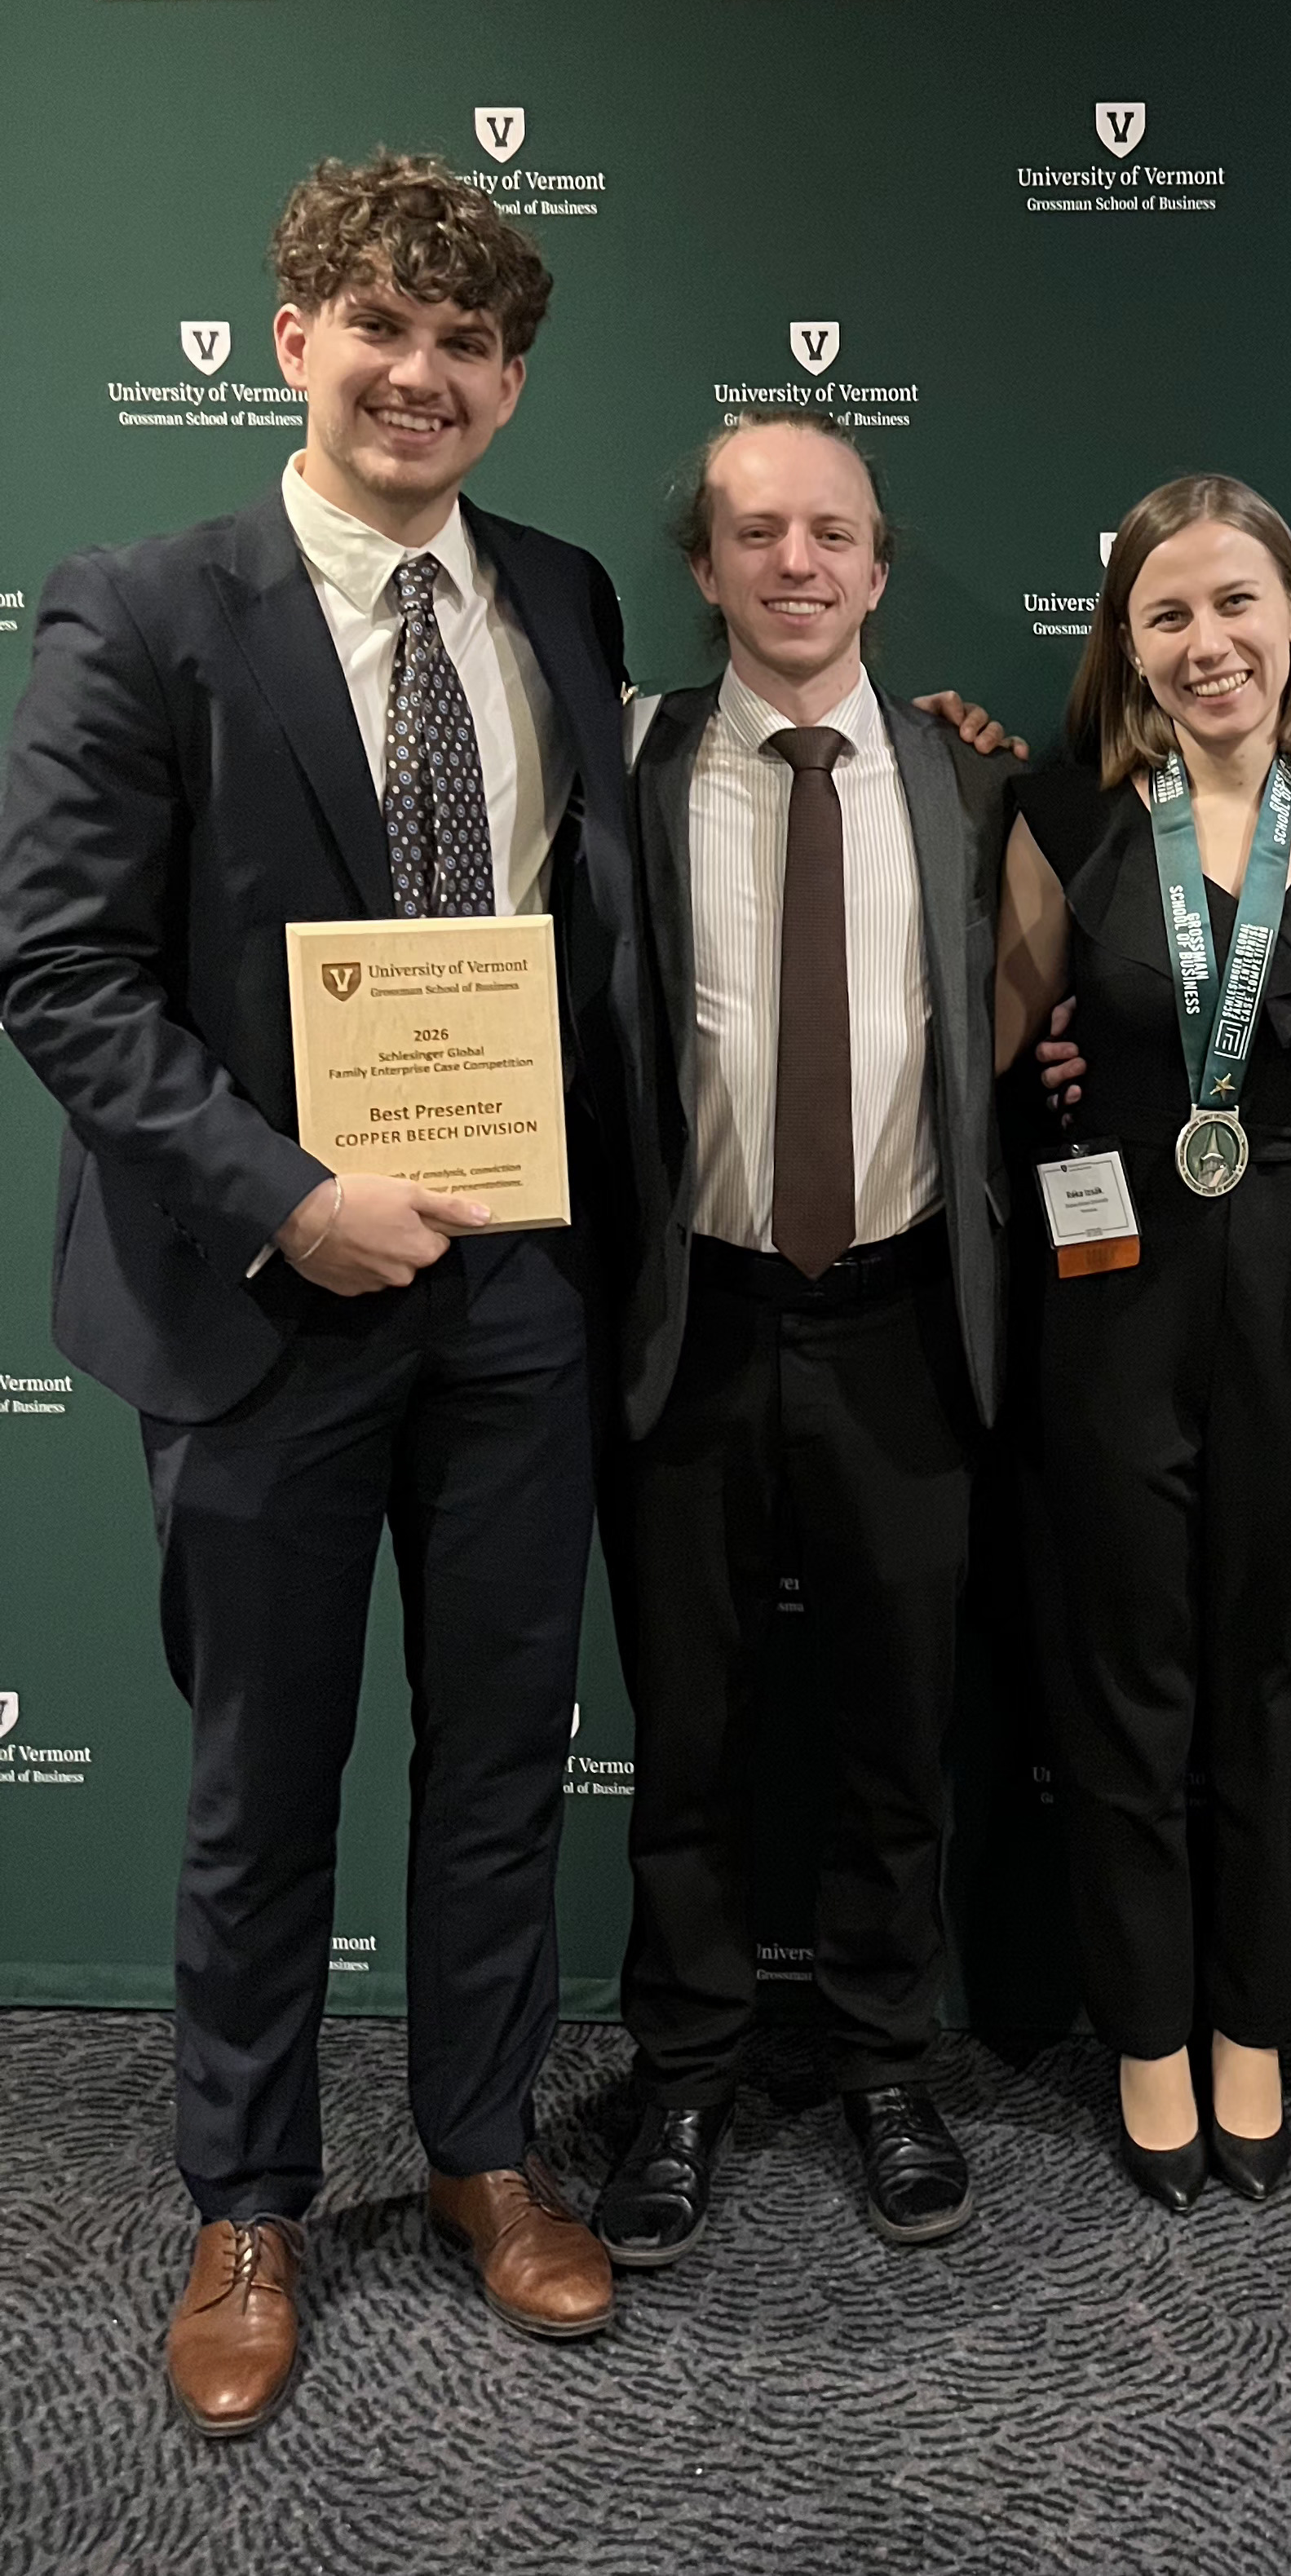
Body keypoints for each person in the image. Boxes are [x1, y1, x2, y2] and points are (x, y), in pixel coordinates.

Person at [0, 153, 638, 2434]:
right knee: (262, 1782)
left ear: (512, 381)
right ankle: (251, 2199)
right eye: (381, 325)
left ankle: (481, 2150)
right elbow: (60, 972)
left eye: (467, 343)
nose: (419, 374)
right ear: (294, 339)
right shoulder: (142, 607)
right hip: (264, 1300)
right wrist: (287, 1198)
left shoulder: (563, 596)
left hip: (517, 1296)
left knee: (502, 1760)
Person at [597, 409, 1014, 2260]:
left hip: (903, 1319)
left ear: (879, 565)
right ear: (705, 567)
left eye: (831, 532)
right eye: (757, 533)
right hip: (694, 1316)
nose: (796, 563)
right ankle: (683, 2073)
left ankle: (881, 2059)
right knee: (687, 1730)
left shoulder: (962, 775)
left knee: (893, 1722)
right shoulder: (629, 764)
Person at [993, 475, 1291, 2210]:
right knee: (1129, 1674)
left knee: (1278, 1677)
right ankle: (1148, 2031)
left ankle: (1256, 2025)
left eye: (1239, 601)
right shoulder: (1057, 812)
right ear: (1126, 642)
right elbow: (993, 1058)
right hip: (1116, 1291)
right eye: (1167, 613)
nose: (1208, 641)